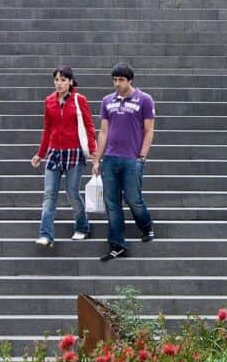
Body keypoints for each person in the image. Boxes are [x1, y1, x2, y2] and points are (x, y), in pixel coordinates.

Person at [92, 62, 155, 261]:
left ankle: (146, 226)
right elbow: (103, 132)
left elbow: (149, 130)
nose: (117, 84)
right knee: (111, 203)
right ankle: (117, 244)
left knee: (133, 199)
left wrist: (142, 157)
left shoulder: (144, 100)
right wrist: (97, 159)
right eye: (115, 80)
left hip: (131, 159)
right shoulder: (107, 101)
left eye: (121, 80)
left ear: (130, 81)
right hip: (110, 158)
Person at [31, 66, 96, 247]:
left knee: (72, 193)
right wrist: (40, 154)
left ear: (70, 82)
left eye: (63, 80)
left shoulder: (78, 99)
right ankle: (46, 235)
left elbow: (89, 127)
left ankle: (82, 227)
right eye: (56, 80)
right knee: (49, 194)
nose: (59, 83)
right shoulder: (49, 101)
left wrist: (94, 153)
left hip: (74, 152)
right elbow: (47, 129)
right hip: (54, 152)